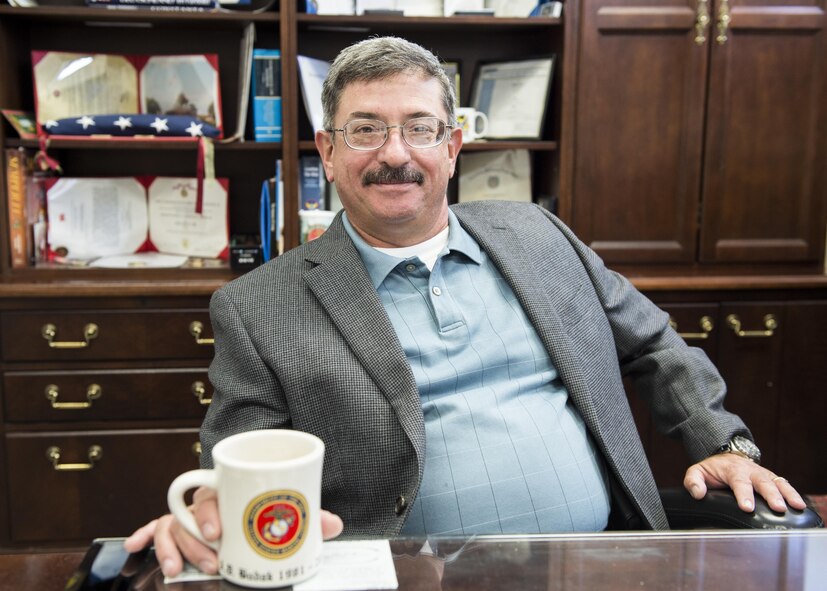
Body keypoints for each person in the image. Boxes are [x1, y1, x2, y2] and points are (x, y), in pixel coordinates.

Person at [125, 36, 806, 576]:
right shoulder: (258, 305)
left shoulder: (538, 234)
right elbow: (238, 463)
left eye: (420, 128)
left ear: (452, 147)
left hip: (600, 560)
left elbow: (653, 344)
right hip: (400, 573)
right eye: (365, 130)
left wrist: (722, 442)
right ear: (327, 153)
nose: (396, 154)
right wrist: (213, 513)